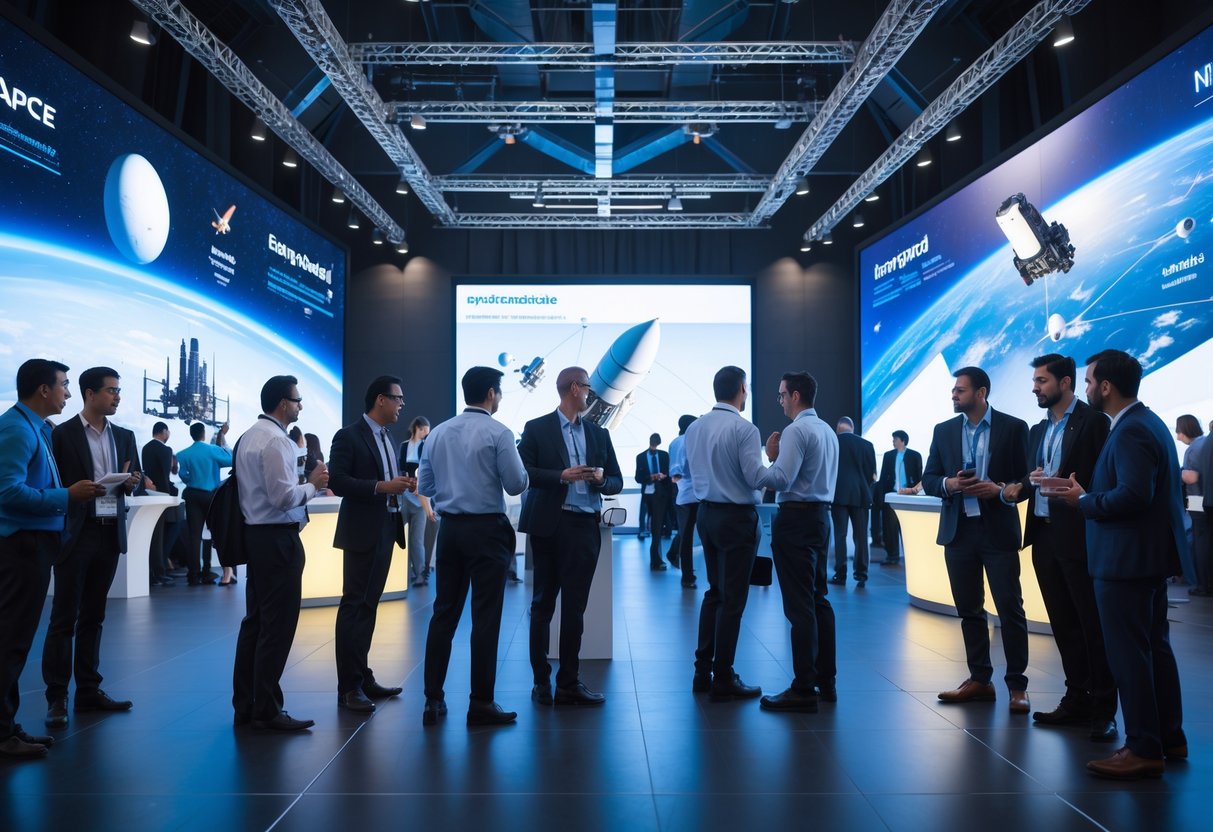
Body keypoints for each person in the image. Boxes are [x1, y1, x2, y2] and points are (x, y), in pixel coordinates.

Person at [1055, 350, 1187, 780]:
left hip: (1123, 562)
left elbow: (1133, 494)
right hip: (1142, 560)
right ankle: (1168, 737)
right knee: (1154, 650)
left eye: (1090, 381)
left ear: (1106, 386)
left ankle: (1143, 747)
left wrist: (1084, 501)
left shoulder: (1130, 430)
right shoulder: (1147, 423)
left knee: (1129, 656)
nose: (1086, 388)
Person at [1002, 354, 1116, 742]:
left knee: (1091, 625)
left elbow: (1104, 478)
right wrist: (1023, 484)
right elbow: (1036, 475)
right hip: (1044, 536)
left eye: (1042, 381)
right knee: (1063, 625)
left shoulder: (1094, 422)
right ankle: (1076, 698)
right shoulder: (1038, 429)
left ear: (1065, 382)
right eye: (1035, 381)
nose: (1035, 387)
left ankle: (1104, 709)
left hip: (1080, 536)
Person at [0, 359, 104, 759]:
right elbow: (7, 492)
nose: (68, 393)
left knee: (16, 640)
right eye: (63, 385)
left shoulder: (37, 429)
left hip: (35, 545)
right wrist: (66, 496)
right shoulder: (16, 430)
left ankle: (8, 726)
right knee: (10, 640)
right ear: (43, 389)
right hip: (21, 547)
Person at [419, 367, 529, 727]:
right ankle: (480, 703)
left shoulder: (437, 433)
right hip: (486, 532)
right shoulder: (499, 433)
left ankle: (432, 700)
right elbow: (515, 484)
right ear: (491, 394)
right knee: (485, 618)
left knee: (444, 614)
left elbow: (427, 487)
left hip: (451, 531)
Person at [922, 366, 1031, 713]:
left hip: (997, 531)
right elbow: (929, 478)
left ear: (981, 393)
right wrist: (950, 484)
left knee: (1010, 609)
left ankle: (1017, 686)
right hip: (958, 532)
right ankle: (980, 680)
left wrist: (1000, 491)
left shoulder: (1014, 428)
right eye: (954, 390)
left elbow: (1026, 479)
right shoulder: (943, 430)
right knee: (969, 610)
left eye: (960, 390)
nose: (954, 395)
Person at [42, 366, 144, 729]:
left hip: (109, 531)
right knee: (63, 617)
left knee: (94, 615)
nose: (117, 397)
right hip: (76, 532)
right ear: (89, 393)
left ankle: (88, 689)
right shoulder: (62, 434)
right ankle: (57, 697)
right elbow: (51, 482)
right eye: (111, 390)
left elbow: (136, 480)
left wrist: (131, 482)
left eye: (118, 391)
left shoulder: (125, 436)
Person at [518, 367, 624, 707]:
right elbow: (524, 474)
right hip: (550, 524)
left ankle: (568, 683)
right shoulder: (536, 428)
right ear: (575, 388)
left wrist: (600, 481)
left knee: (575, 609)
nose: (591, 394)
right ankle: (540, 682)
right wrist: (561, 475)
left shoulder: (598, 434)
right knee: (542, 605)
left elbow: (617, 480)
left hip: (584, 527)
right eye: (588, 388)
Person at [232, 375, 329, 731]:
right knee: (277, 627)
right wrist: (313, 485)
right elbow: (283, 498)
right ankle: (268, 709)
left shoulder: (248, 437)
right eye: (297, 400)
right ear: (283, 403)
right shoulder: (277, 441)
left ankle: (247, 705)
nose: (301, 405)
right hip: (277, 540)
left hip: (257, 537)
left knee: (256, 623)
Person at [326, 376, 413, 713]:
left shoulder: (388, 437)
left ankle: (362, 677)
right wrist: (381, 486)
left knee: (369, 606)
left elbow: (385, 480)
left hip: (387, 527)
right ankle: (348, 687)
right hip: (362, 530)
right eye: (398, 398)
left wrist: (400, 485)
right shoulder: (348, 436)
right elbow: (338, 481)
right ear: (380, 399)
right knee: (354, 606)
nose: (401, 404)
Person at [685, 366, 769, 700]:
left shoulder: (695, 427)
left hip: (706, 515)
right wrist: (775, 462)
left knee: (715, 593)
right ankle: (723, 678)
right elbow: (755, 477)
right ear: (741, 389)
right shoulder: (745, 429)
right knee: (733, 601)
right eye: (747, 388)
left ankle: (701, 673)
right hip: (736, 519)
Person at [759, 371, 839, 713]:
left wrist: (769, 457)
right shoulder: (828, 431)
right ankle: (826, 682)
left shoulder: (796, 431)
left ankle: (803, 687)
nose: (779, 400)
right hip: (821, 519)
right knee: (819, 599)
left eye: (781, 394)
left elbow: (780, 478)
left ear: (795, 396)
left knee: (799, 606)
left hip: (796, 520)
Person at [177, 422, 233, 585]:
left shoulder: (183, 454)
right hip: (211, 495)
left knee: (194, 536)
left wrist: (192, 480)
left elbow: (183, 475)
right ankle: (209, 571)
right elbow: (231, 460)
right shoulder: (212, 450)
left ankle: (193, 575)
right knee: (214, 533)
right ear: (203, 434)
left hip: (192, 495)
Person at [829, 416, 875, 588]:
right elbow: (871, 474)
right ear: (852, 428)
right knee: (861, 536)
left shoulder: (833, 442)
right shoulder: (867, 445)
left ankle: (840, 574)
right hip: (860, 495)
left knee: (840, 535)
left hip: (838, 495)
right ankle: (861, 574)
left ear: (838, 428)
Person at [398, 416, 438, 587]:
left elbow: (427, 470)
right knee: (399, 536)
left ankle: (420, 572)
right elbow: (401, 468)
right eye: (424, 431)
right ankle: (401, 573)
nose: (426, 435)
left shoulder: (426, 446)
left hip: (420, 496)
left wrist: (420, 487)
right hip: (404, 494)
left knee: (417, 539)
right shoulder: (404, 446)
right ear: (418, 428)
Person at [142, 421, 182, 586]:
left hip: (148, 495)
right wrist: (167, 494)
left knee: (151, 535)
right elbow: (165, 476)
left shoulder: (145, 448)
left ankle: (152, 571)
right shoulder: (166, 450)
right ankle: (158, 572)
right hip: (161, 496)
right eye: (168, 431)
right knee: (159, 535)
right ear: (164, 431)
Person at [875, 431, 923, 566]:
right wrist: (882, 497)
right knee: (889, 528)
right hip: (892, 495)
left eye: (895, 439)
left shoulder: (915, 455)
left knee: (908, 527)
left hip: (909, 496)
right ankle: (892, 555)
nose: (893, 441)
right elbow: (883, 477)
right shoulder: (888, 455)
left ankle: (912, 556)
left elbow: (919, 477)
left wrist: (916, 493)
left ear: (903, 441)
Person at [1176, 414, 1208, 595]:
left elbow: (1192, 478)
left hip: (1197, 500)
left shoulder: (1193, 450)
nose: (1177, 437)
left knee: (1196, 538)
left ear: (1185, 430)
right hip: (1204, 499)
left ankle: (1199, 582)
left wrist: (1175, 472)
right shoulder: (1204, 443)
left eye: (1179, 432)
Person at [667, 414, 698, 588]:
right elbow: (675, 474)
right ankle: (687, 576)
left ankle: (674, 555)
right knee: (687, 537)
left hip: (690, 495)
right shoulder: (683, 442)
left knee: (686, 534)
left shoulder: (681, 441)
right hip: (688, 495)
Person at [635, 433, 672, 566]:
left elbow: (670, 473)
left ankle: (656, 558)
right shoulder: (640, 457)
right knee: (652, 522)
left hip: (662, 494)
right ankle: (656, 558)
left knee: (657, 525)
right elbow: (638, 478)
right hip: (648, 492)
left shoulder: (664, 455)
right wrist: (650, 477)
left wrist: (663, 476)